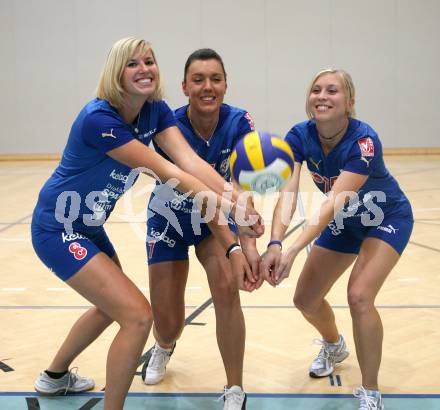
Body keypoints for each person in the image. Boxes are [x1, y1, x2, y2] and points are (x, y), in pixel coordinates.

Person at [31, 38, 262, 410]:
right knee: (138, 317)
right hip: (57, 227)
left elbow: (189, 161)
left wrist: (236, 201)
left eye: (150, 61)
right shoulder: (99, 120)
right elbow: (166, 170)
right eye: (133, 63)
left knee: (112, 308)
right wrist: (230, 208)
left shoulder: (154, 111)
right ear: (116, 73)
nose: (144, 69)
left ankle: (54, 377)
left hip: (88, 227)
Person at [260, 68, 413, 410]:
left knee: (359, 296)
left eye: (333, 90)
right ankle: (334, 344)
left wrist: (295, 249)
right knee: (305, 299)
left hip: (385, 219)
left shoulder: (364, 141)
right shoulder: (298, 136)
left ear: (350, 102)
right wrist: (274, 244)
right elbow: (288, 193)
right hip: (348, 222)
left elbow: (333, 202)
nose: (322, 96)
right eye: (316, 89)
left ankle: (371, 391)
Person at [143, 48, 262, 410]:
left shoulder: (241, 122)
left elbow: (242, 191)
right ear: (184, 86)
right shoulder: (168, 129)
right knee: (168, 322)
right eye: (198, 80)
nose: (207, 87)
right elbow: (203, 200)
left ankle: (235, 388)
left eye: (215, 79)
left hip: (216, 222)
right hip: (170, 221)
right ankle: (163, 345)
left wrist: (250, 249)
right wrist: (234, 247)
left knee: (228, 291)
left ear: (226, 84)